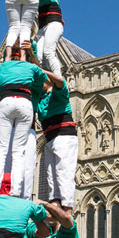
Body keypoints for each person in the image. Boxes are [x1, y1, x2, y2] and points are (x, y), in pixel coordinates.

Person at [0, 56, 57, 197]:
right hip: (9, 129)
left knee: (26, 172)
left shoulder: (33, 84)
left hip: (27, 131)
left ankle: (21, 200)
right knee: (6, 167)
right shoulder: (6, 81)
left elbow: (45, 81)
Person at [37, 81, 78, 219]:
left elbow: (59, 81)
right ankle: (55, 205)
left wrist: (41, 70)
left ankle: (67, 210)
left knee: (64, 172)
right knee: (51, 175)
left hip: (64, 135)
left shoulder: (58, 92)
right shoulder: (39, 98)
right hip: (49, 139)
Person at [35, 0, 64, 77]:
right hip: (42, 26)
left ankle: (60, 82)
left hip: (53, 23)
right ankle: (46, 80)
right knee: (38, 56)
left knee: (49, 52)